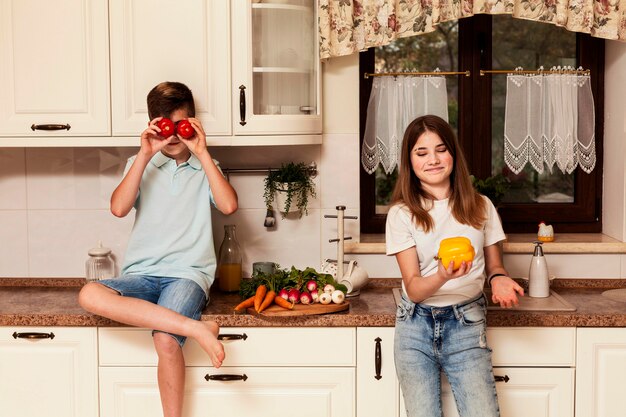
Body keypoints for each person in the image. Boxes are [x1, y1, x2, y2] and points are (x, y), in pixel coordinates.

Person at [78, 81, 238, 417]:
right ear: (153, 124)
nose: (173, 137)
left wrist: (203, 153)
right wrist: (145, 154)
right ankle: (195, 328)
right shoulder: (142, 162)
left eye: (180, 126)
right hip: (141, 275)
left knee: (165, 339)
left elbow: (228, 206)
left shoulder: (205, 166)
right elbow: (119, 208)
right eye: (165, 127)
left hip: (187, 276)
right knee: (89, 294)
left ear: (191, 122)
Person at [386, 115, 523, 417]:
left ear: (453, 154)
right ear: (410, 162)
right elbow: (414, 288)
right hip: (415, 327)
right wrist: (442, 275)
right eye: (421, 153)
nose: (433, 160)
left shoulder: (481, 205)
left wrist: (499, 279)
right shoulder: (401, 214)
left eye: (441, 149)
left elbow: (495, 266)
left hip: (466, 323)